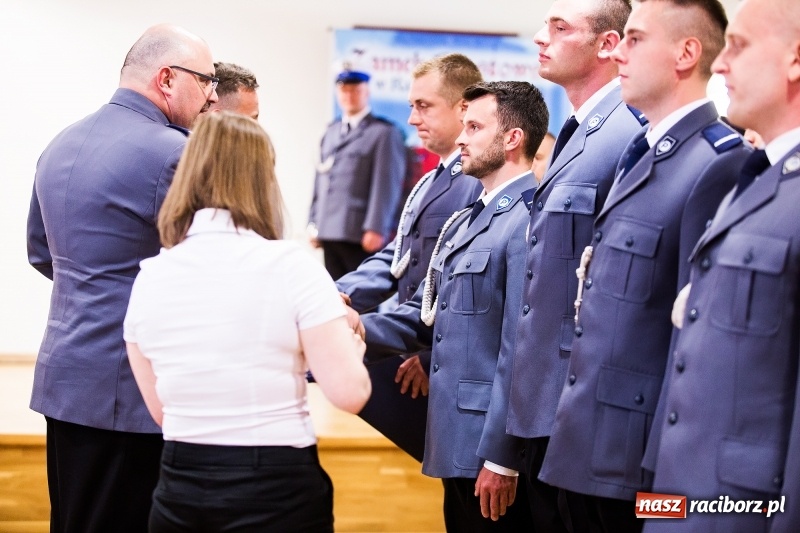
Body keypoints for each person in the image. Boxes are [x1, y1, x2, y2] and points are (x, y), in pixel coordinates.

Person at [537, 1, 749, 531]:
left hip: (636, 459)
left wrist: (666, 470)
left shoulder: (715, 162)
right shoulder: (642, 150)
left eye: (635, 40)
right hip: (586, 438)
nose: (620, 53)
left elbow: (691, 340)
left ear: (685, 53)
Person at [124, 111, 371, 533]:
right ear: (263, 180)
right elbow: (349, 393)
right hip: (274, 482)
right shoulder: (293, 266)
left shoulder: (150, 276)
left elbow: (163, 412)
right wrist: (351, 341)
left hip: (180, 483)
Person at [25, 24, 217, 533]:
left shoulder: (61, 142)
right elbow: (208, 269)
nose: (212, 95)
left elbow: (41, 253)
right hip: (130, 390)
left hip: (64, 377)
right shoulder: (173, 152)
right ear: (168, 78)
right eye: (207, 80)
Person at [360, 81, 548, 532]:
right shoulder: (470, 219)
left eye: (474, 126)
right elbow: (433, 313)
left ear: (512, 139)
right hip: (455, 438)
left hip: (490, 448)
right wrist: (354, 325)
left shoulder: (528, 220)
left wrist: (502, 459)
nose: (460, 138)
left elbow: (522, 352)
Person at [488, 0, 644, 530]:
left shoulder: (628, 132)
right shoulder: (581, 131)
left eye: (559, 27)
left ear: (607, 44)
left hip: (583, 409)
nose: (539, 36)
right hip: (545, 404)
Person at [645, 0, 800, 530]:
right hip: (683, 494)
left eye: (739, 46)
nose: (722, 65)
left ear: (795, 60)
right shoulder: (756, 177)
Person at [335, 54, 483, 461]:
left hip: (439, 359)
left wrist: (432, 353)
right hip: (413, 339)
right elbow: (398, 255)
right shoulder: (436, 177)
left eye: (424, 105)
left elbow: (466, 287)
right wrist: (337, 295)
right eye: (411, 106)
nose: (412, 118)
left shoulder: (474, 182)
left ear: (463, 108)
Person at [308, 69, 407, 279]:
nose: (349, 96)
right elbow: (321, 180)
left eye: (355, 90)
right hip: (329, 228)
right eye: (344, 90)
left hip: (359, 232)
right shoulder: (331, 131)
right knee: (334, 295)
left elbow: (386, 185)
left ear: (366, 92)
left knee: (362, 296)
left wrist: (376, 227)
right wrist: (314, 222)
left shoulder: (383, 132)